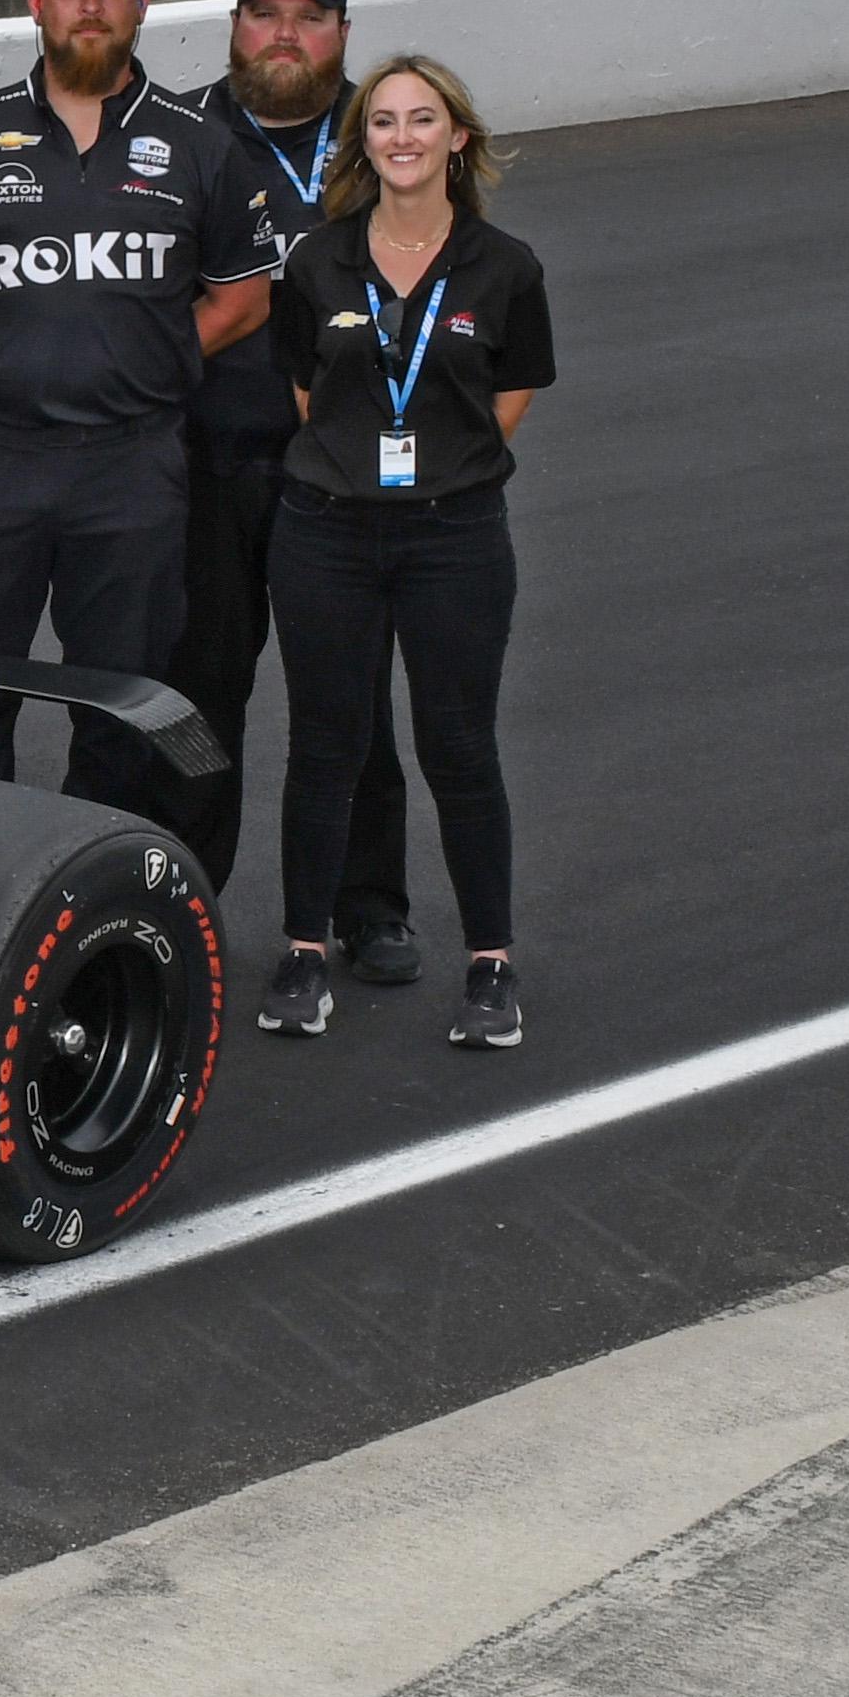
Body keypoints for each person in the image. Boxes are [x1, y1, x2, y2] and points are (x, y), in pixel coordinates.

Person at [0, 0, 277, 818]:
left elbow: (245, 297)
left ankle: (94, 921)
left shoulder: (201, 145)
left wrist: (145, 358)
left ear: (142, 3)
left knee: (121, 713)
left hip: (131, 467)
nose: (90, 5)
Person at [258, 57, 549, 1052]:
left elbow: (507, 398)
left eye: (422, 119)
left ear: (456, 139)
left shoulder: (504, 268)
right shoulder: (315, 262)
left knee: (459, 749)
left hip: (453, 537)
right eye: (382, 121)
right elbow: (306, 392)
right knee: (324, 746)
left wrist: (440, 465)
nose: (402, 136)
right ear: (363, 143)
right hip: (326, 532)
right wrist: (361, 463)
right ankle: (303, 952)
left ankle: (491, 965)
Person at [179, 0, 413, 969]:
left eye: (307, 16)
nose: (283, 34)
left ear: (341, 35)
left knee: (347, 693)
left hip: (343, 473)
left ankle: (367, 906)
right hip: (204, 463)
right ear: (232, 26)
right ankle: (176, 896)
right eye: (263, 13)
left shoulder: (393, 135)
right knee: (194, 699)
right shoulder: (175, 134)